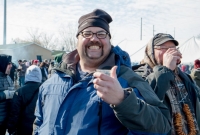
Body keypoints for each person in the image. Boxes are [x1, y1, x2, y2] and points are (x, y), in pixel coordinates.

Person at [33, 9, 171, 135]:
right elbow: (39, 122)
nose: (94, 39)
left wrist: (123, 101)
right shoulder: (53, 81)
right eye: (87, 33)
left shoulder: (127, 79)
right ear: (77, 40)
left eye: (101, 34)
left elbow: (162, 127)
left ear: (109, 41)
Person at [133, 33, 200, 134]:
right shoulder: (139, 76)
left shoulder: (184, 77)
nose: (170, 52)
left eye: (173, 48)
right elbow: (146, 105)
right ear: (150, 52)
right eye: (163, 48)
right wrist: (165, 70)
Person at [7, 65, 42, 135]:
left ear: (27, 74)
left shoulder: (20, 91)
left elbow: (15, 112)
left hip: (23, 127)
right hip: (39, 127)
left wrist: (11, 129)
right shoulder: (45, 89)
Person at [0, 54, 15, 135]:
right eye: (8, 63)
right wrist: (5, 94)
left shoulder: (8, 77)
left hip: (6, 119)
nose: (11, 66)